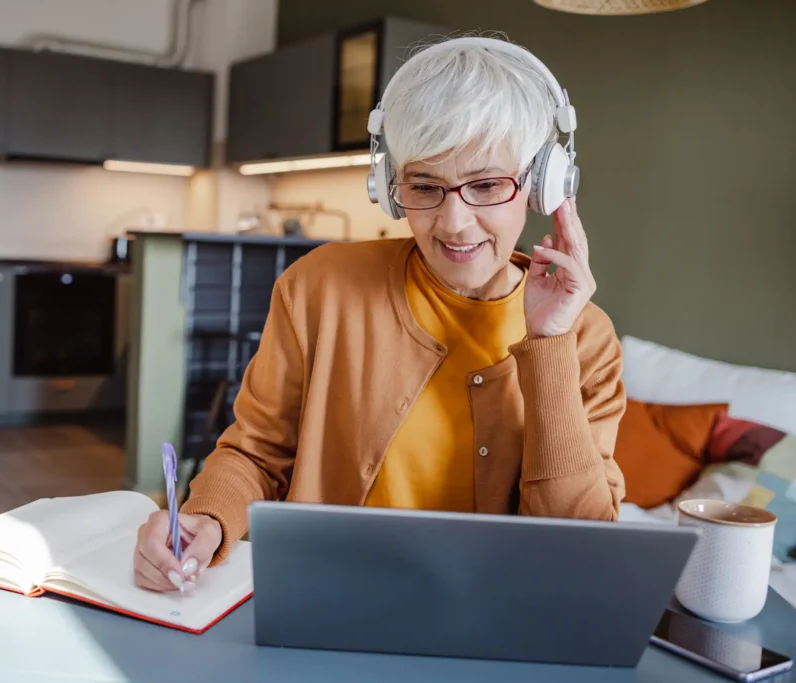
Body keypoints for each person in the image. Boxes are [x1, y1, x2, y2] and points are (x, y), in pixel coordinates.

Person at [134, 34, 626, 593]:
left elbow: (580, 546)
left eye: (487, 185)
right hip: (328, 596)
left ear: (543, 185)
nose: (454, 223)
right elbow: (258, 451)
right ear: (391, 190)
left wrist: (549, 344)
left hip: (499, 615)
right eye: (425, 186)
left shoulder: (585, 336)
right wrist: (208, 517)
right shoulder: (320, 287)